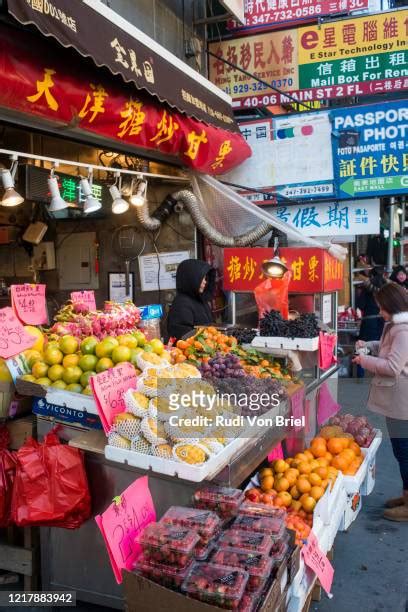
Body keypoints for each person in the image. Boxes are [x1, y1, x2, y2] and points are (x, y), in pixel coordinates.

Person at [353, 282, 408, 522]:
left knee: (404, 451)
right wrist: (370, 346)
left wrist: (364, 362)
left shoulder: (403, 331)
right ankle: (406, 496)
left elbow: (393, 366)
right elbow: (388, 351)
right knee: (401, 450)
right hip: (396, 402)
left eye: (382, 308)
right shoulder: (394, 326)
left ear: (392, 306)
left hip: (402, 402)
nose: (380, 312)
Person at [167, 259, 215, 341]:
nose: (205, 282)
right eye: (201, 279)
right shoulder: (181, 304)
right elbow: (183, 337)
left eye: (205, 278)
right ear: (191, 279)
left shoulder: (200, 300)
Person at [355, 267, 387, 377]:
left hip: (369, 322)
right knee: (381, 346)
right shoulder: (386, 289)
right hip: (383, 322)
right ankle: (379, 372)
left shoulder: (366, 289)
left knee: (363, 347)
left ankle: (361, 373)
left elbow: (360, 305)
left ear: (371, 276)